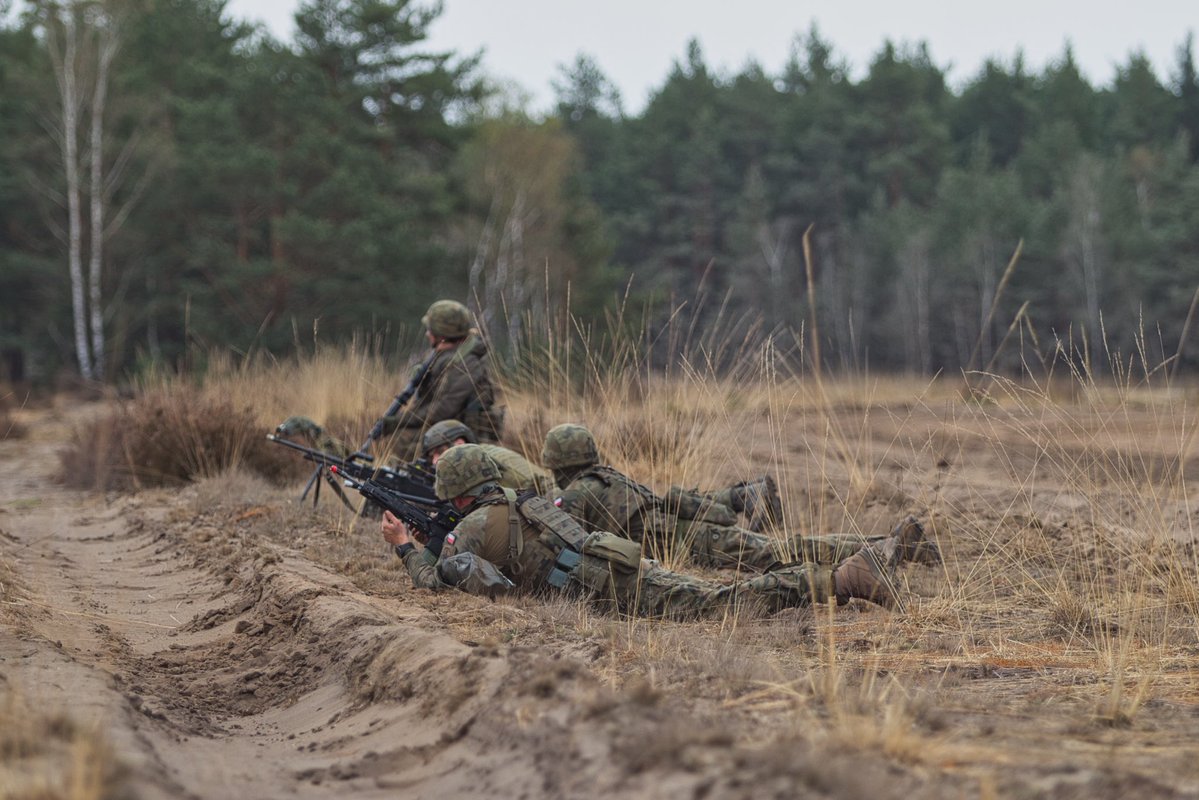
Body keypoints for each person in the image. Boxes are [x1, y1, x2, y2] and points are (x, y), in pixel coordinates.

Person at [382, 444, 912, 617]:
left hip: (601, 583)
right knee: (723, 585)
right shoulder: (528, 501)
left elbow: (437, 583)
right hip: (614, 561)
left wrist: (406, 549)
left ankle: (841, 581)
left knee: (718, 603)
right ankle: (842, 573)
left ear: (456, 491)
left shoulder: (469, 530)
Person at [540, 423, 940, 573]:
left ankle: (889, 548)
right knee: (787, 548)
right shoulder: (607, 477)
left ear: (557, 463)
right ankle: (889, 546)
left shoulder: (574, 497)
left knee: (785, 553)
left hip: (693, 540)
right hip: (693, 530)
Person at [375, 300, 502, 456]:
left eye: (430, 330)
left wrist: (400, 421)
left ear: (442, 334)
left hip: (463, 437)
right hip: (449, 429)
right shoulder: (448, 356)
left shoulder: (463, 363)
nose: (427, 334)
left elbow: (443, 408)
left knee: (401, 443)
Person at [421, 419, 554, 496]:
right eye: (432, 456)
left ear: (460, 443)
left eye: (440, 451)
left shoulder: (494, 463)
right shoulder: (477, 459)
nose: (434, 461)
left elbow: (541, 489)